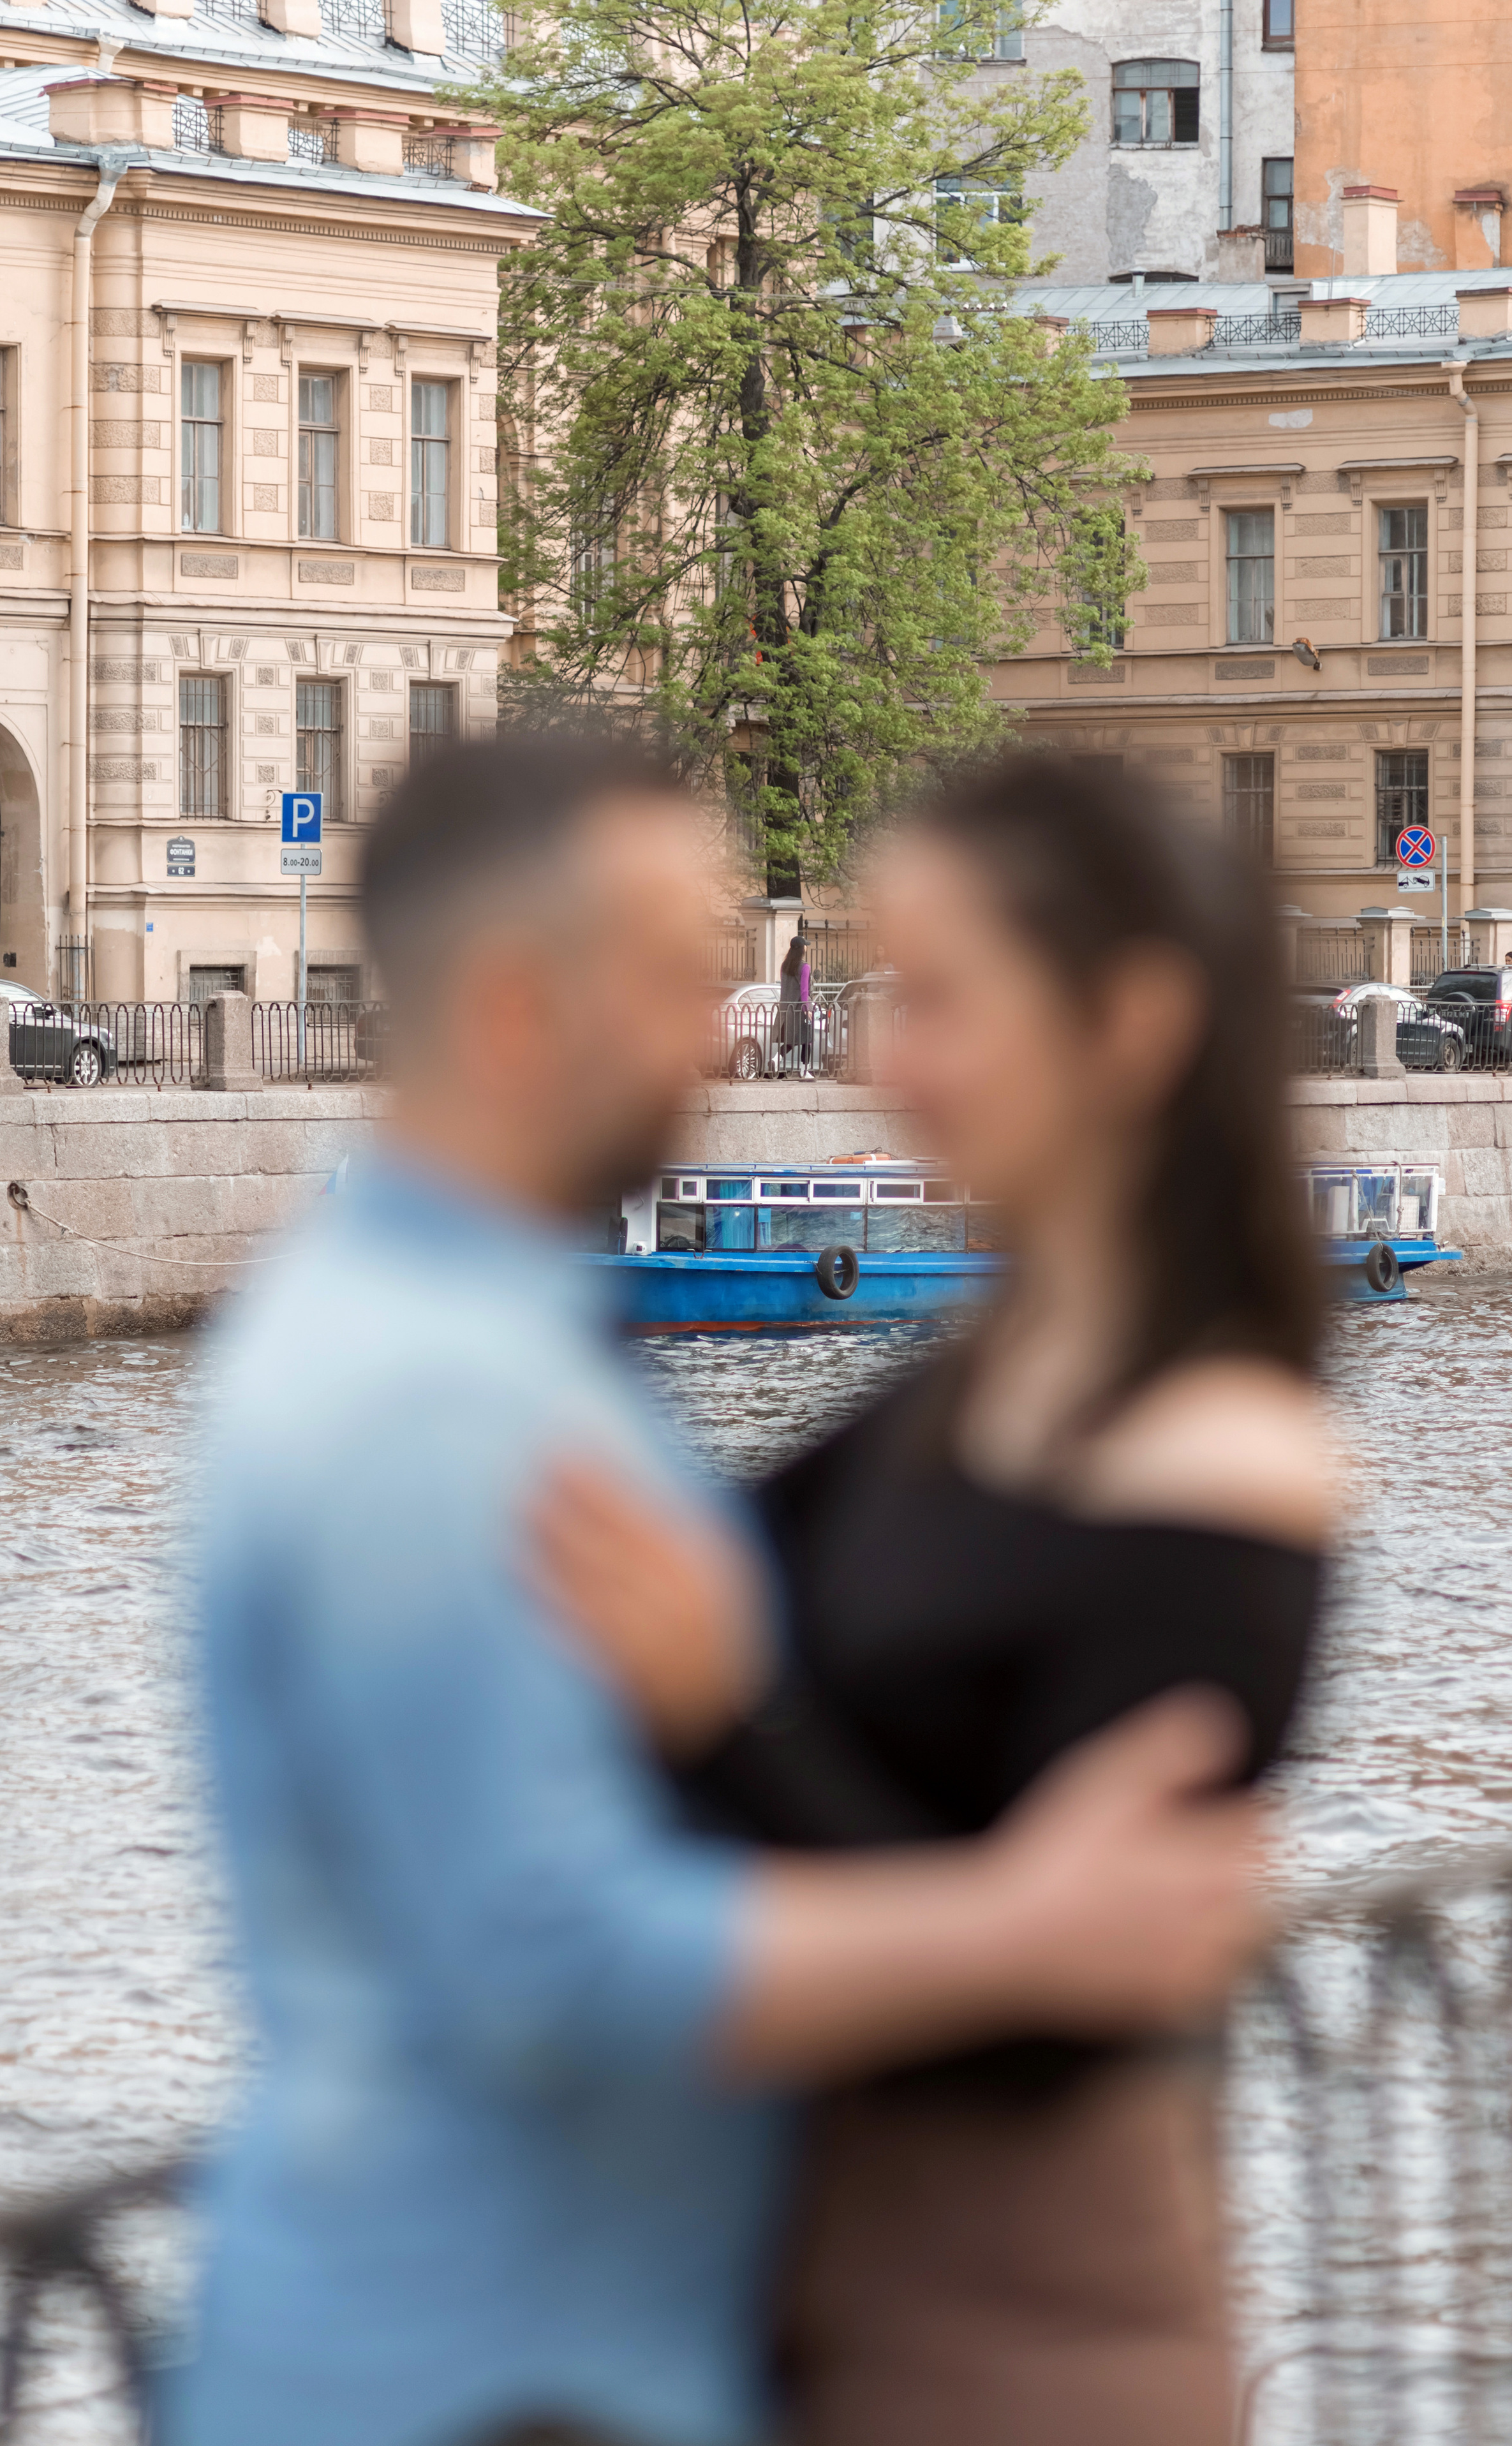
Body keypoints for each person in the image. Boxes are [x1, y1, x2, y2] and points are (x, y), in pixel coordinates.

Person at [169, 734, 1273, 2446]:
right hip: (484, 2378)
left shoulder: (472, 1334)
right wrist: (1024, 1929)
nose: (724, 1034)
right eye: (684, 975)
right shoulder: (433, 1401)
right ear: (524, 1009)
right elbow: (548, 1956)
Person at [531, 755, 1335, 2446]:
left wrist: (724, 1711)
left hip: (1006, 2341)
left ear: (1130, 1024)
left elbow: (1055, 2014)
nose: (886, 1061)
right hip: (795, 2301)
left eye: (943, 999)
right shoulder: (987, 1376)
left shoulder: (1232, 1463)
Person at [777, 931, 807, 1076]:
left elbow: (784, 986)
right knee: (807, 1039)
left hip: (786, 1007)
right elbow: (804, 991)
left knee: (793, 1039)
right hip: (800, 1008)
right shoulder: (805, 967)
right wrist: (807, 1008)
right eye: (805, 946)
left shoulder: (784, 966)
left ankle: (777, 1059)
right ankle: (804, 1070)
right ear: (802, 949)